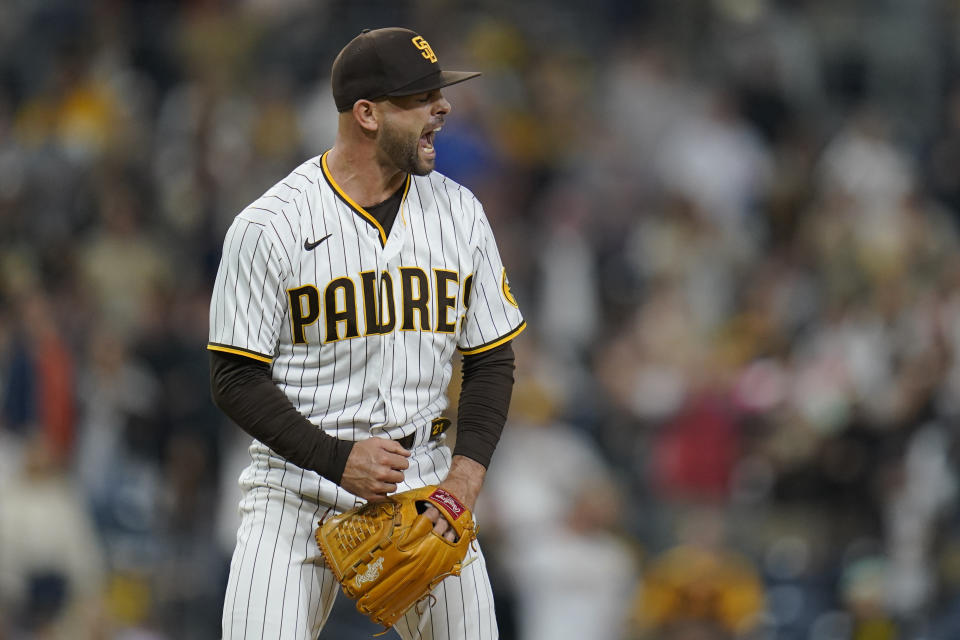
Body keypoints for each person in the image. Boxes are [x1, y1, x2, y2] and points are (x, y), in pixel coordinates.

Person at [207, 27, 525, 640]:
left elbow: (491, 360)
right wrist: (335, 460)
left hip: (423, 479)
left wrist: (464, 478)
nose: (444, 108)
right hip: (294, 488)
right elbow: (233, 377)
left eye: (440, 93)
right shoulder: (270, 226)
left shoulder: (460, 212)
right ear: (367, 114)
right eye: (421, 97)